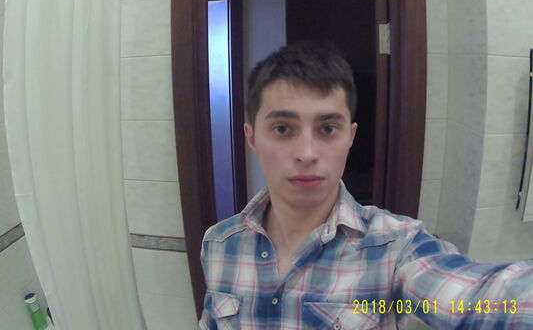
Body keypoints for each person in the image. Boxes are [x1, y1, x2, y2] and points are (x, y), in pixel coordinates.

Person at [198, 42, 533, 329]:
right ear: (252, 137)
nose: (307, 153)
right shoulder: (218, 244)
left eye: (328, 129)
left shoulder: (395, 249)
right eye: (283, 129)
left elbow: (486, 300)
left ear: (350, 136)